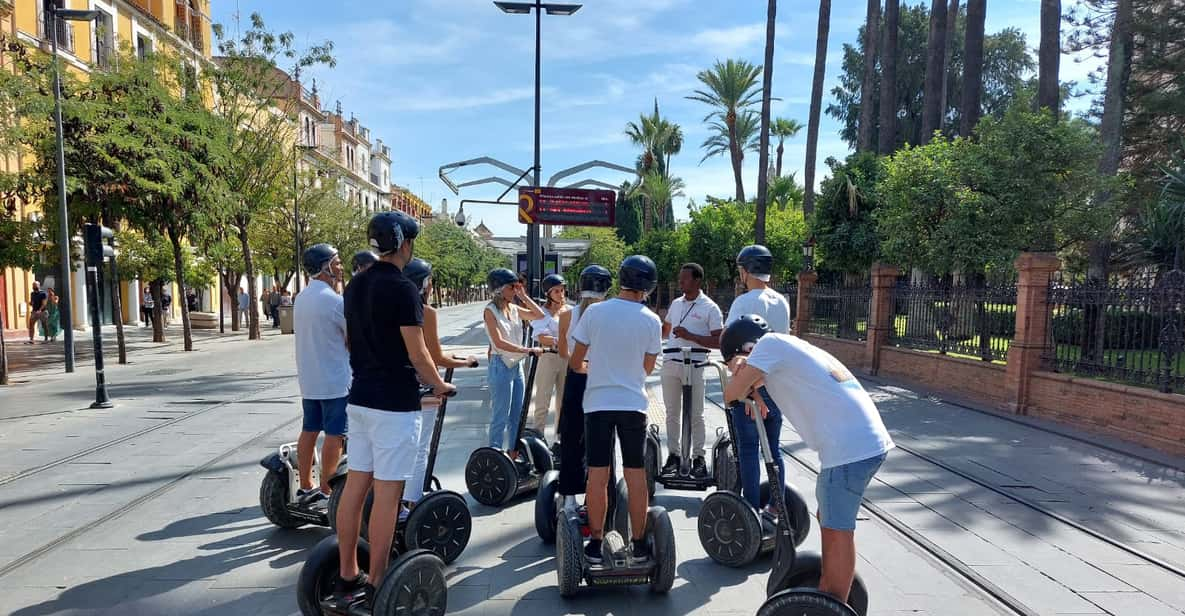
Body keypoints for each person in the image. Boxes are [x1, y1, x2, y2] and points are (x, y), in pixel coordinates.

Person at [720, 314, 893, 607]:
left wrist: (739, 370)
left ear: (746, 349)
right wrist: (752, 383)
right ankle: (835, 595)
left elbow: (730, 395)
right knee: (830, 518)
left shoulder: (768, 347)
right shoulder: (788, 346)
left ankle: (831, 601)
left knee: (837, 530)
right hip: (863, 441)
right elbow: (757, 383)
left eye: (734, 361)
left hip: (849, 450)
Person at [333, 211, 454, 606]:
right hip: (394, 405)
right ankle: (377, 580)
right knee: (387, 493)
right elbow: (418, 353)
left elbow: (351, 342)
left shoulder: (354, 285)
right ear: (405, 243)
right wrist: (440, 384)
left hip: (361, 398)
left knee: (355, 487)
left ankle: (348, 572)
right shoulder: (403, 290)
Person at [569, 255, 662, 564]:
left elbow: (574, 361)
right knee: (635, 474)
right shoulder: (651, 320)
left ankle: (595, 543)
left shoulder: (594, 312)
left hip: (597, 404)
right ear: (647, 286)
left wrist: (594, 369)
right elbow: (646, 368)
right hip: (633, 405)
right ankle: (639, 543)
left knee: (597, 473)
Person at [402, 257, 478, 510]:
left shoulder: (388, 306)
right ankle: (412, 501)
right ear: (423, 284)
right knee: (420, 448)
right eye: (430, 280)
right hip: (422, 386)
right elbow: (435, 357)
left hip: (392, 387)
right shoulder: (426, 312)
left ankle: (393, 500)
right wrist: (465, 362)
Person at [724, 244, 794, 516]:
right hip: (777, 384)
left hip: (750, 386)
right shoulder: (782, 301)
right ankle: (777, 507)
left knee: (750, 449)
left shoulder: (743, 302)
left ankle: (751, 510)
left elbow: (732, 347)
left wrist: (751, 390)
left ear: (747, 270)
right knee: (774, 449)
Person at [293, 243, 350, 505]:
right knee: (335, 434)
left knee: (309, 429)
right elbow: (352, 339)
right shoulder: (335, 302)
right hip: (335, 380)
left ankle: (305, 485)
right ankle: (329, 491)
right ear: (326, 266)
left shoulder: (301, 298)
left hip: (309, 377)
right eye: (336, 262)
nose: (340, 267)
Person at [555, 265, 612, 513]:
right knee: (602, 439)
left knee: (571, 436)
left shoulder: (568, 314)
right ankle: (599, 498)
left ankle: (568, 498)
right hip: (601, 378)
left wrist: (579, 362)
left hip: (576, 376)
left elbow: (563, 351)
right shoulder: (610, 314)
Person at [659, 263, 723, 478]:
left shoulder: (710, 307)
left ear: (697, 281)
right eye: (680, 278)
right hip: (671, 362)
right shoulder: (676, 304)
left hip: (695, 365)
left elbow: (719, 341)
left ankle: (698, 457)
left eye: (684, 278)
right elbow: (665, 331)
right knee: (671, 412)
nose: (680, 282)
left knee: (696, 413)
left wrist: (692, 336)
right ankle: (674, 456)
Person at [482, 268, 545, 458]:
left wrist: (524, 297)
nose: (515, 290)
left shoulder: (515, 308)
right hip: (500, 365)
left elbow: (539, 315)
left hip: (516, 366)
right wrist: (528, 350)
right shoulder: (490, 311)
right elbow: (499, 342)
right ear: (499, 289)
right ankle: (494, 457)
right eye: (512, 287)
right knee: (500, 416)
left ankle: (513, 454)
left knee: (517, 416)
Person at [529, 273, 570, 437]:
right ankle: (538, 435)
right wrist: (559, 340)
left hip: (566, 357)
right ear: (548, 294)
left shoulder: (569, 311)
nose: (561, 294)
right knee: (542, 400)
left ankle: (560, 439)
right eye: (556, 291)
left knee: (564, 401)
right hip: (548, 357)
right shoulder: (542, 313)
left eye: (562, 290)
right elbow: (541, 337)